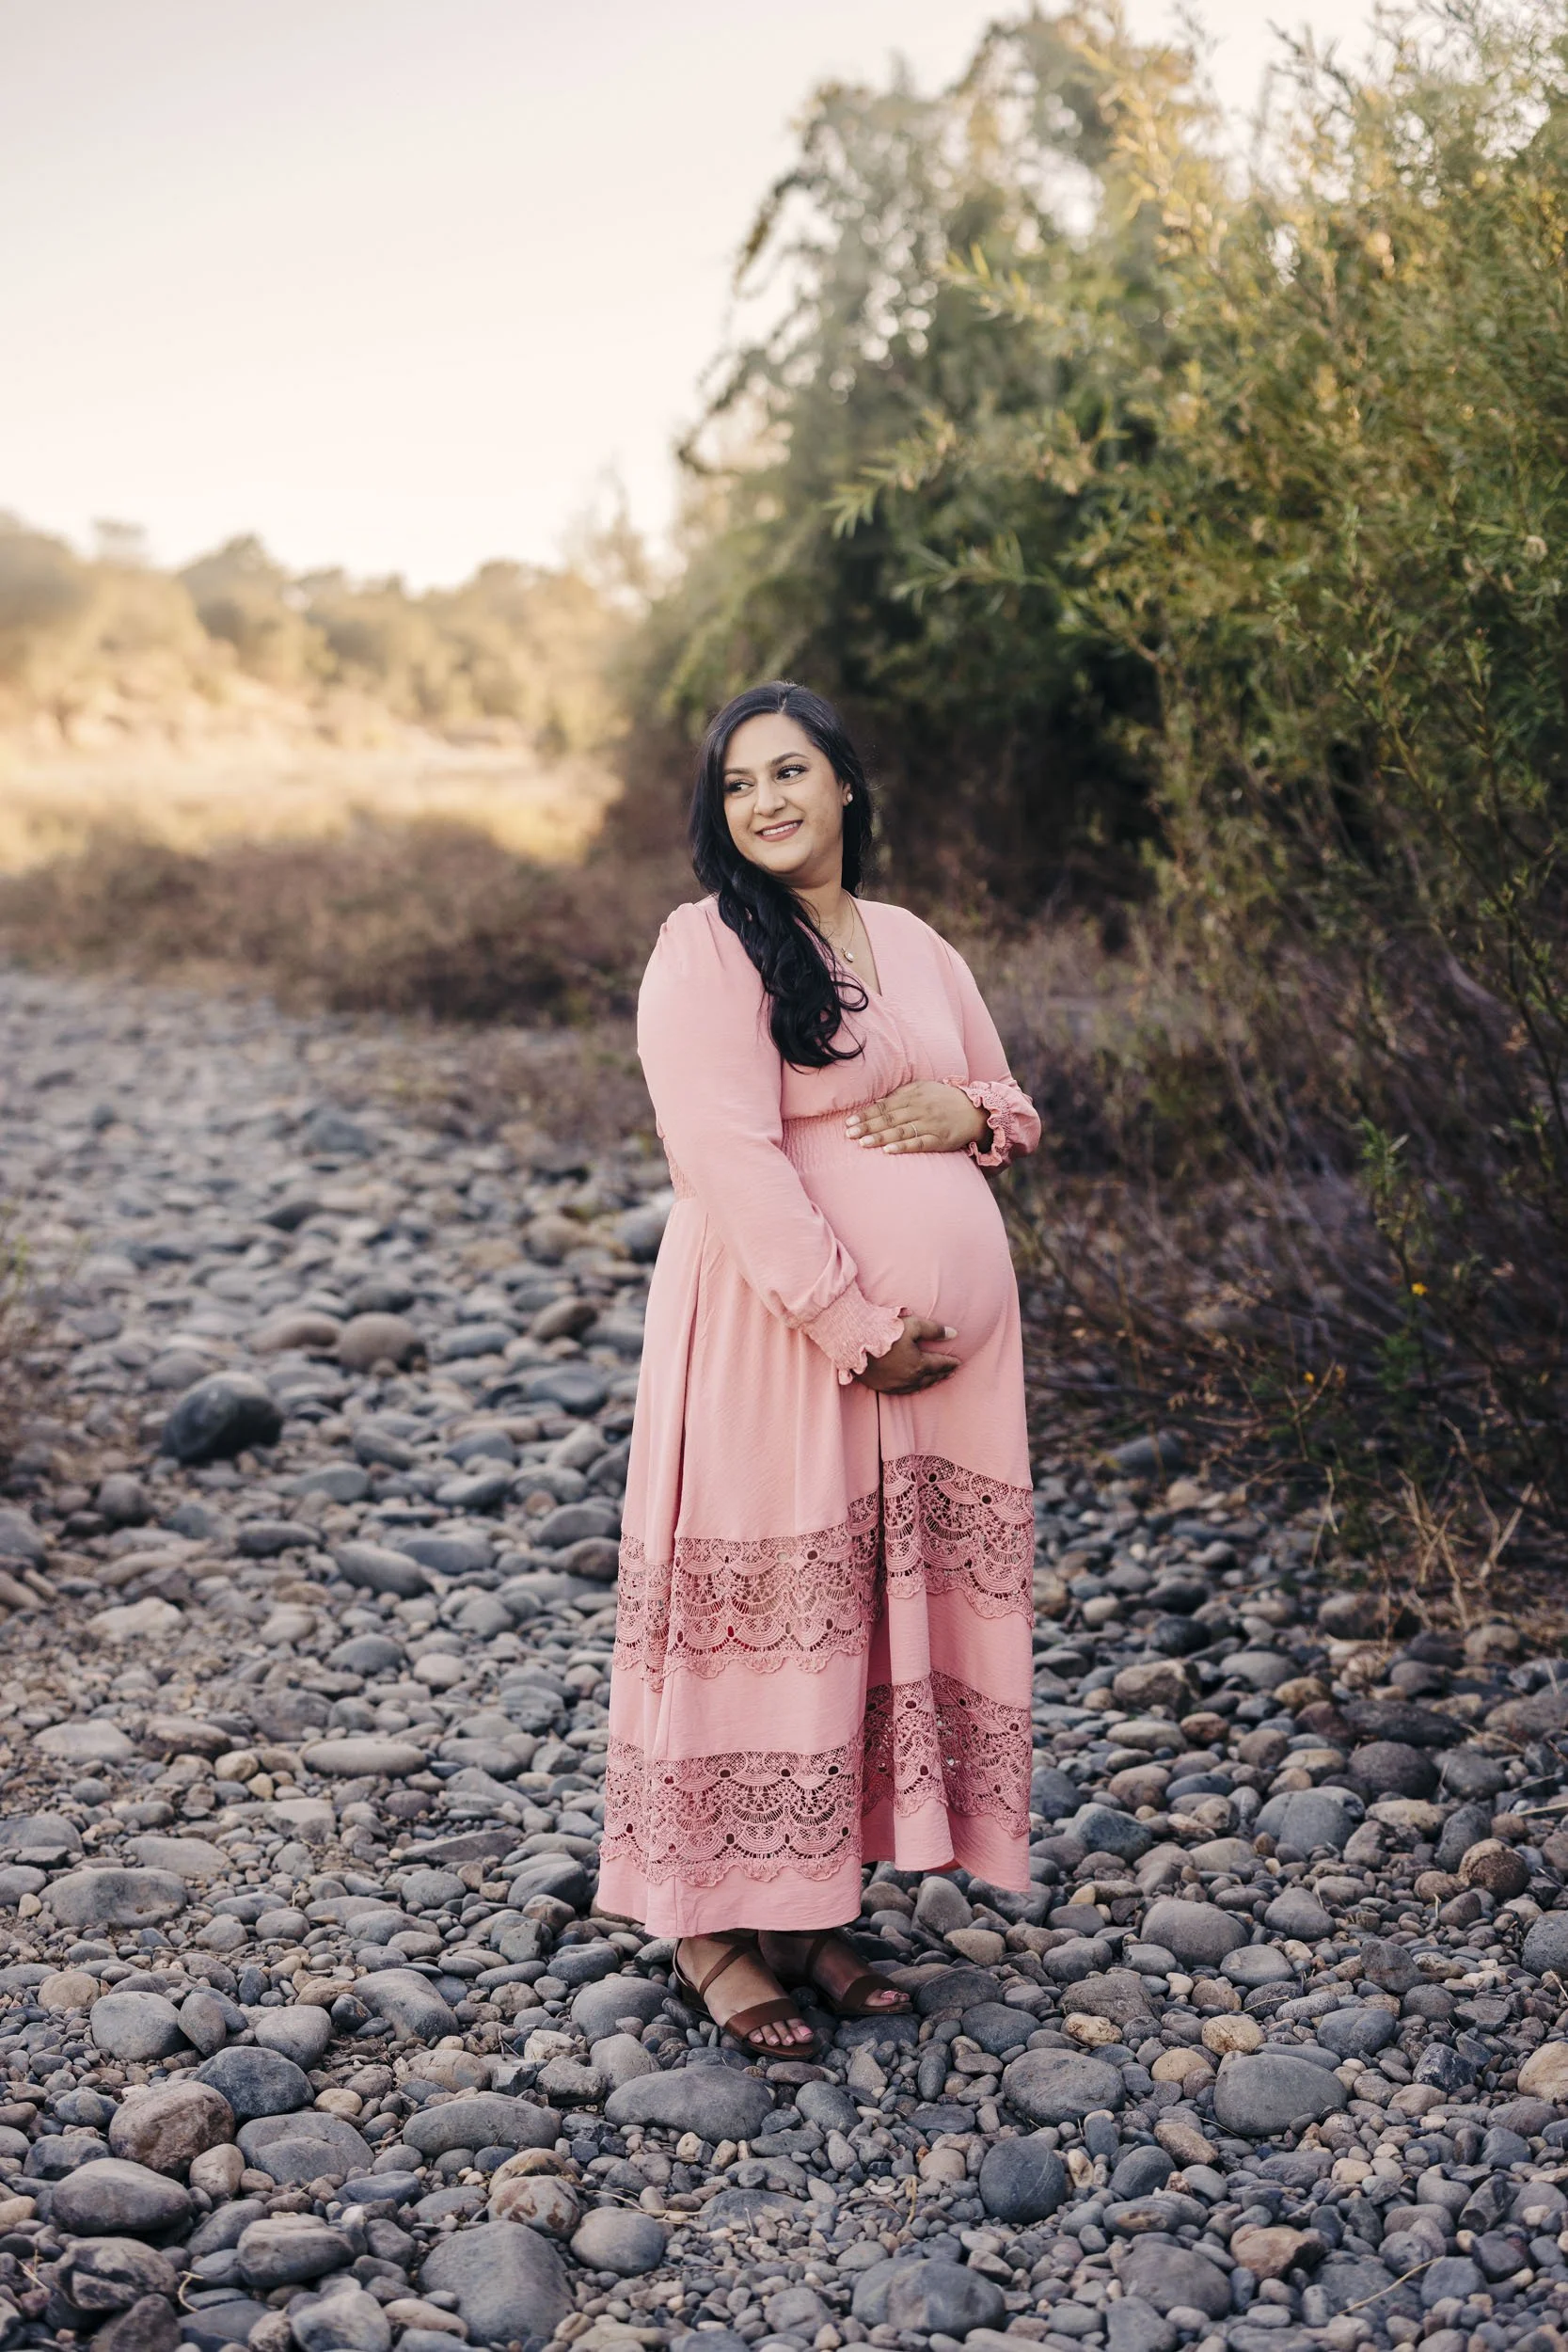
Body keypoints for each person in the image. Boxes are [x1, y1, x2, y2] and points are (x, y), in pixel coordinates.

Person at [597, 681, 1040, 2054]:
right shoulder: (705, 946)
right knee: (771, 1595)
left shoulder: (913, 941)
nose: (766, 802)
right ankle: (712, 1929)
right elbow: (727, 1161)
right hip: (781, 1334)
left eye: (790, 772)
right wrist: (852, 1327)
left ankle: (807, 1904)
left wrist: (965, 1109)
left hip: (933, 1376)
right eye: (738, 784)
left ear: (846, 786)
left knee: (865, 1611)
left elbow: (1013, 1103)